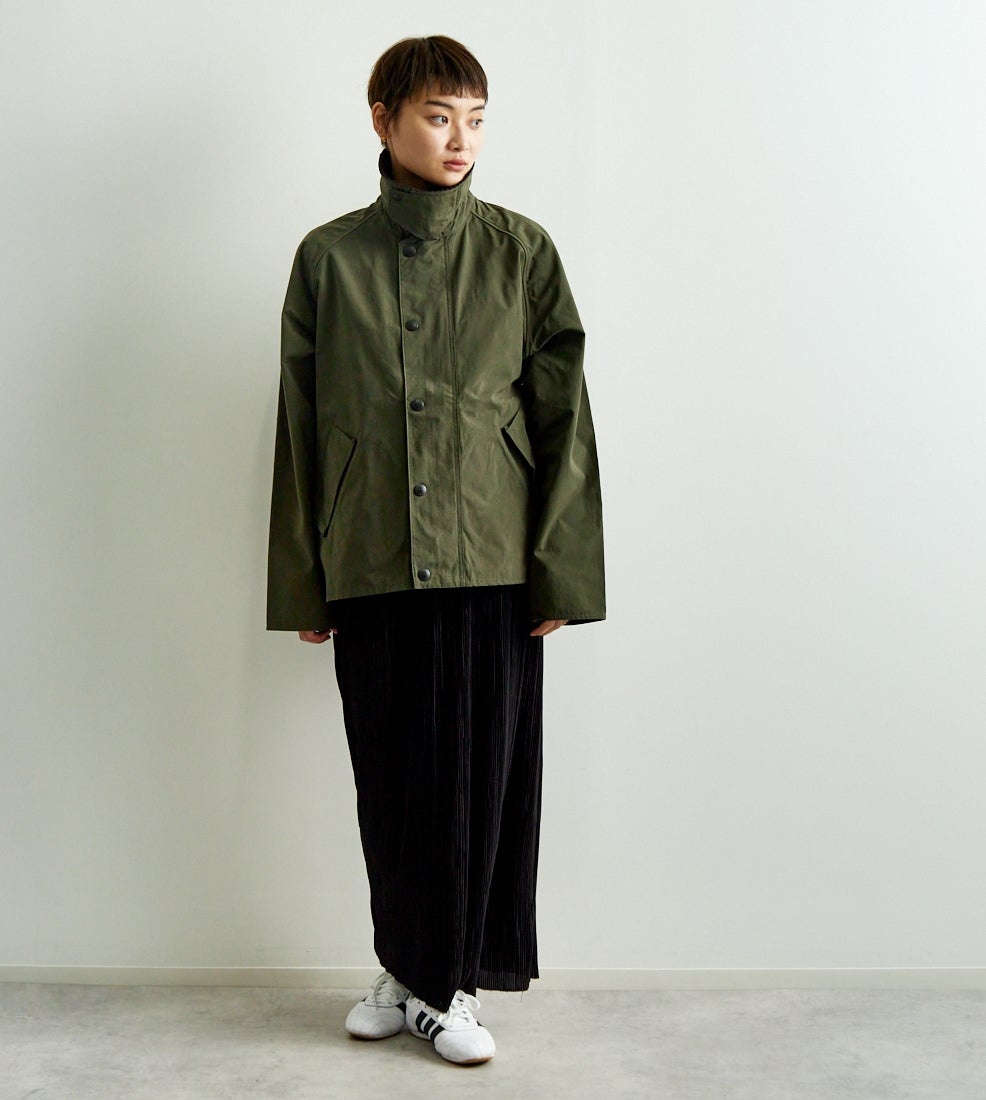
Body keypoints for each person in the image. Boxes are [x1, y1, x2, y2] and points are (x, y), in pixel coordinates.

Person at [266, 35, 605, 1066]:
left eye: (475, 118)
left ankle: (446, 981)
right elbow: (299, 426)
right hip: (369, 551)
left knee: (474, 780)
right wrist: (305, 581)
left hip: (490, 558)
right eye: (436, 115)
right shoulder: (328, 258)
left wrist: (558, 569)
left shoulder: (519, 251)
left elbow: (563, 421)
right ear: (382, 119)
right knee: (390, 778)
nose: (460, 138)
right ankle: (408, 967)